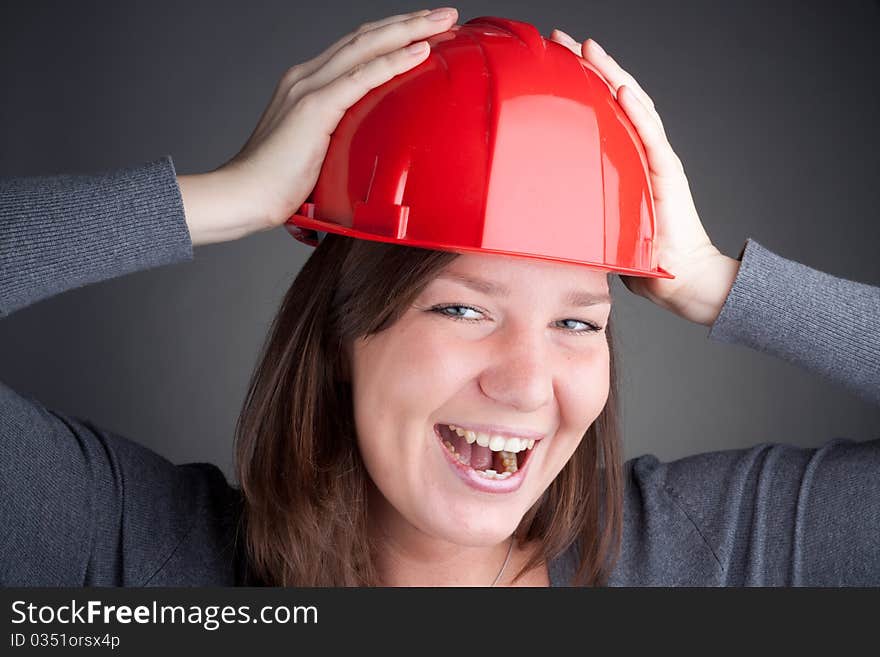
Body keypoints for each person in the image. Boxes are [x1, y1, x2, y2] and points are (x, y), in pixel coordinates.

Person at [1, 8, 878, 587]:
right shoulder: (133, 554)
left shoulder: (713, 552)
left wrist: (715, 279)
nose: (530, 383)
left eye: (578, 321)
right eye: (463, 307)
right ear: (343, 333)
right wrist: (222, 198)